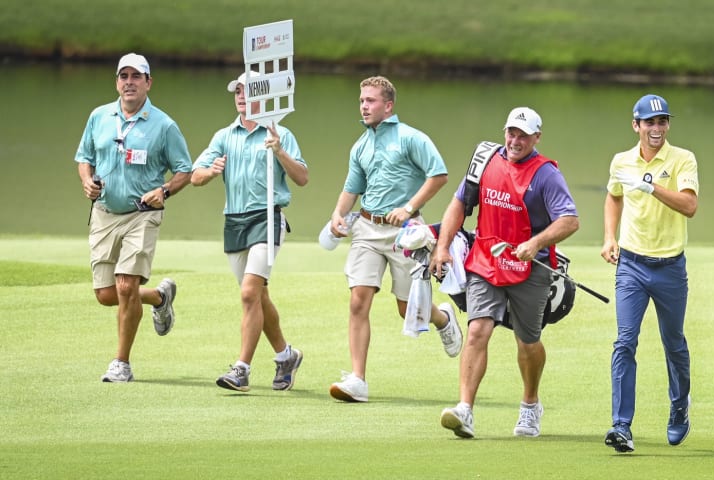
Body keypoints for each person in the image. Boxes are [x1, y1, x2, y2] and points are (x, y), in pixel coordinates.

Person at [430, 107, 579, 438]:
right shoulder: (485, 159)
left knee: (528, 341)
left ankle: (530, 404)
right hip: (485, 260)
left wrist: (535, 242)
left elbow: (570, 219)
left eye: (523, 135)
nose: (515, 140)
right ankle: (465, 409)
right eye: (511, 133)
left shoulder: (546, 174)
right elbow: (459, 204)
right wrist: (442, 246)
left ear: (536, 138)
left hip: (530, 267)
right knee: (478, 329)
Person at [326, 75, 463, 402]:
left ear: (388, 105)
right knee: (359, 299)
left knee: (408, 309)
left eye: (371, 101)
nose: (364, 106)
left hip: (406, 234)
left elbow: (439, 174)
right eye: (362, 101)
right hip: (367, 230)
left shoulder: (411, 138)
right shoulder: (360, 145)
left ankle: (443, 319)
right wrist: (337, 215)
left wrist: (409, 206)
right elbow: (352, 187)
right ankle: (357, 379)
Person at [75, 53, 192, 382]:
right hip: (104, 213)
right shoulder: (99, 117)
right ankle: (159, 297)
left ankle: (121, 363)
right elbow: (84, 157)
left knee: (126, 285)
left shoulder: (164, 125)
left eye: (136, 76)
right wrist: (86, 180)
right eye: (123, 76)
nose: (129, 81)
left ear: (148, 82)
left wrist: (165, 191)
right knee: (106, 294)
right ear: (117, 82)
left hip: (143, 213)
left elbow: (185, 170)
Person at [191, 71, 308, 392]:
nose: (241, 96)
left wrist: (279, 151)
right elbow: (194, 176)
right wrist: (211, 171)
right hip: (234, 222)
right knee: (257, 296)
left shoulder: (280, 133)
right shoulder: (224, 136)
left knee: (248, 293)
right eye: (238, 91)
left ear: (263, 97)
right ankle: (286, 355)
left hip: (267, 218)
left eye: (248, 91)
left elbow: (302, 177)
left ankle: (241, 369)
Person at [600, 94, 699, 453]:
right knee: (625, 341)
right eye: (649, 123)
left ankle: (679, 406)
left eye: (662, 122)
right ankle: (622, 426)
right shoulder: (621, 161)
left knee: (673, 344)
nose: (656, 129)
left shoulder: (682, 158)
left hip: (670, 267)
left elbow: (689, 205)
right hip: (632, 265)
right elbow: (613, 197)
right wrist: (610, 237)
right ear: (636, 125)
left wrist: (651, 186)